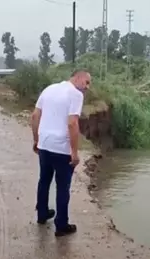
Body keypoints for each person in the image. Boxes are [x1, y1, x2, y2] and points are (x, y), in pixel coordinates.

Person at [30, 69, 91, 237]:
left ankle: (42, 214)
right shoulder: (76, 95)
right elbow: (72, 124)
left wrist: (36, 140)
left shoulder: (49, 89)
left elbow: (35, 116)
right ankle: (61, 225)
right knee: (63, 186)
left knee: (44, 180)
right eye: (87, 82)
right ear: (78, 78)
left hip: (45, 144)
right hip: (61, 148)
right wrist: (74, 152)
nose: (87, 87)